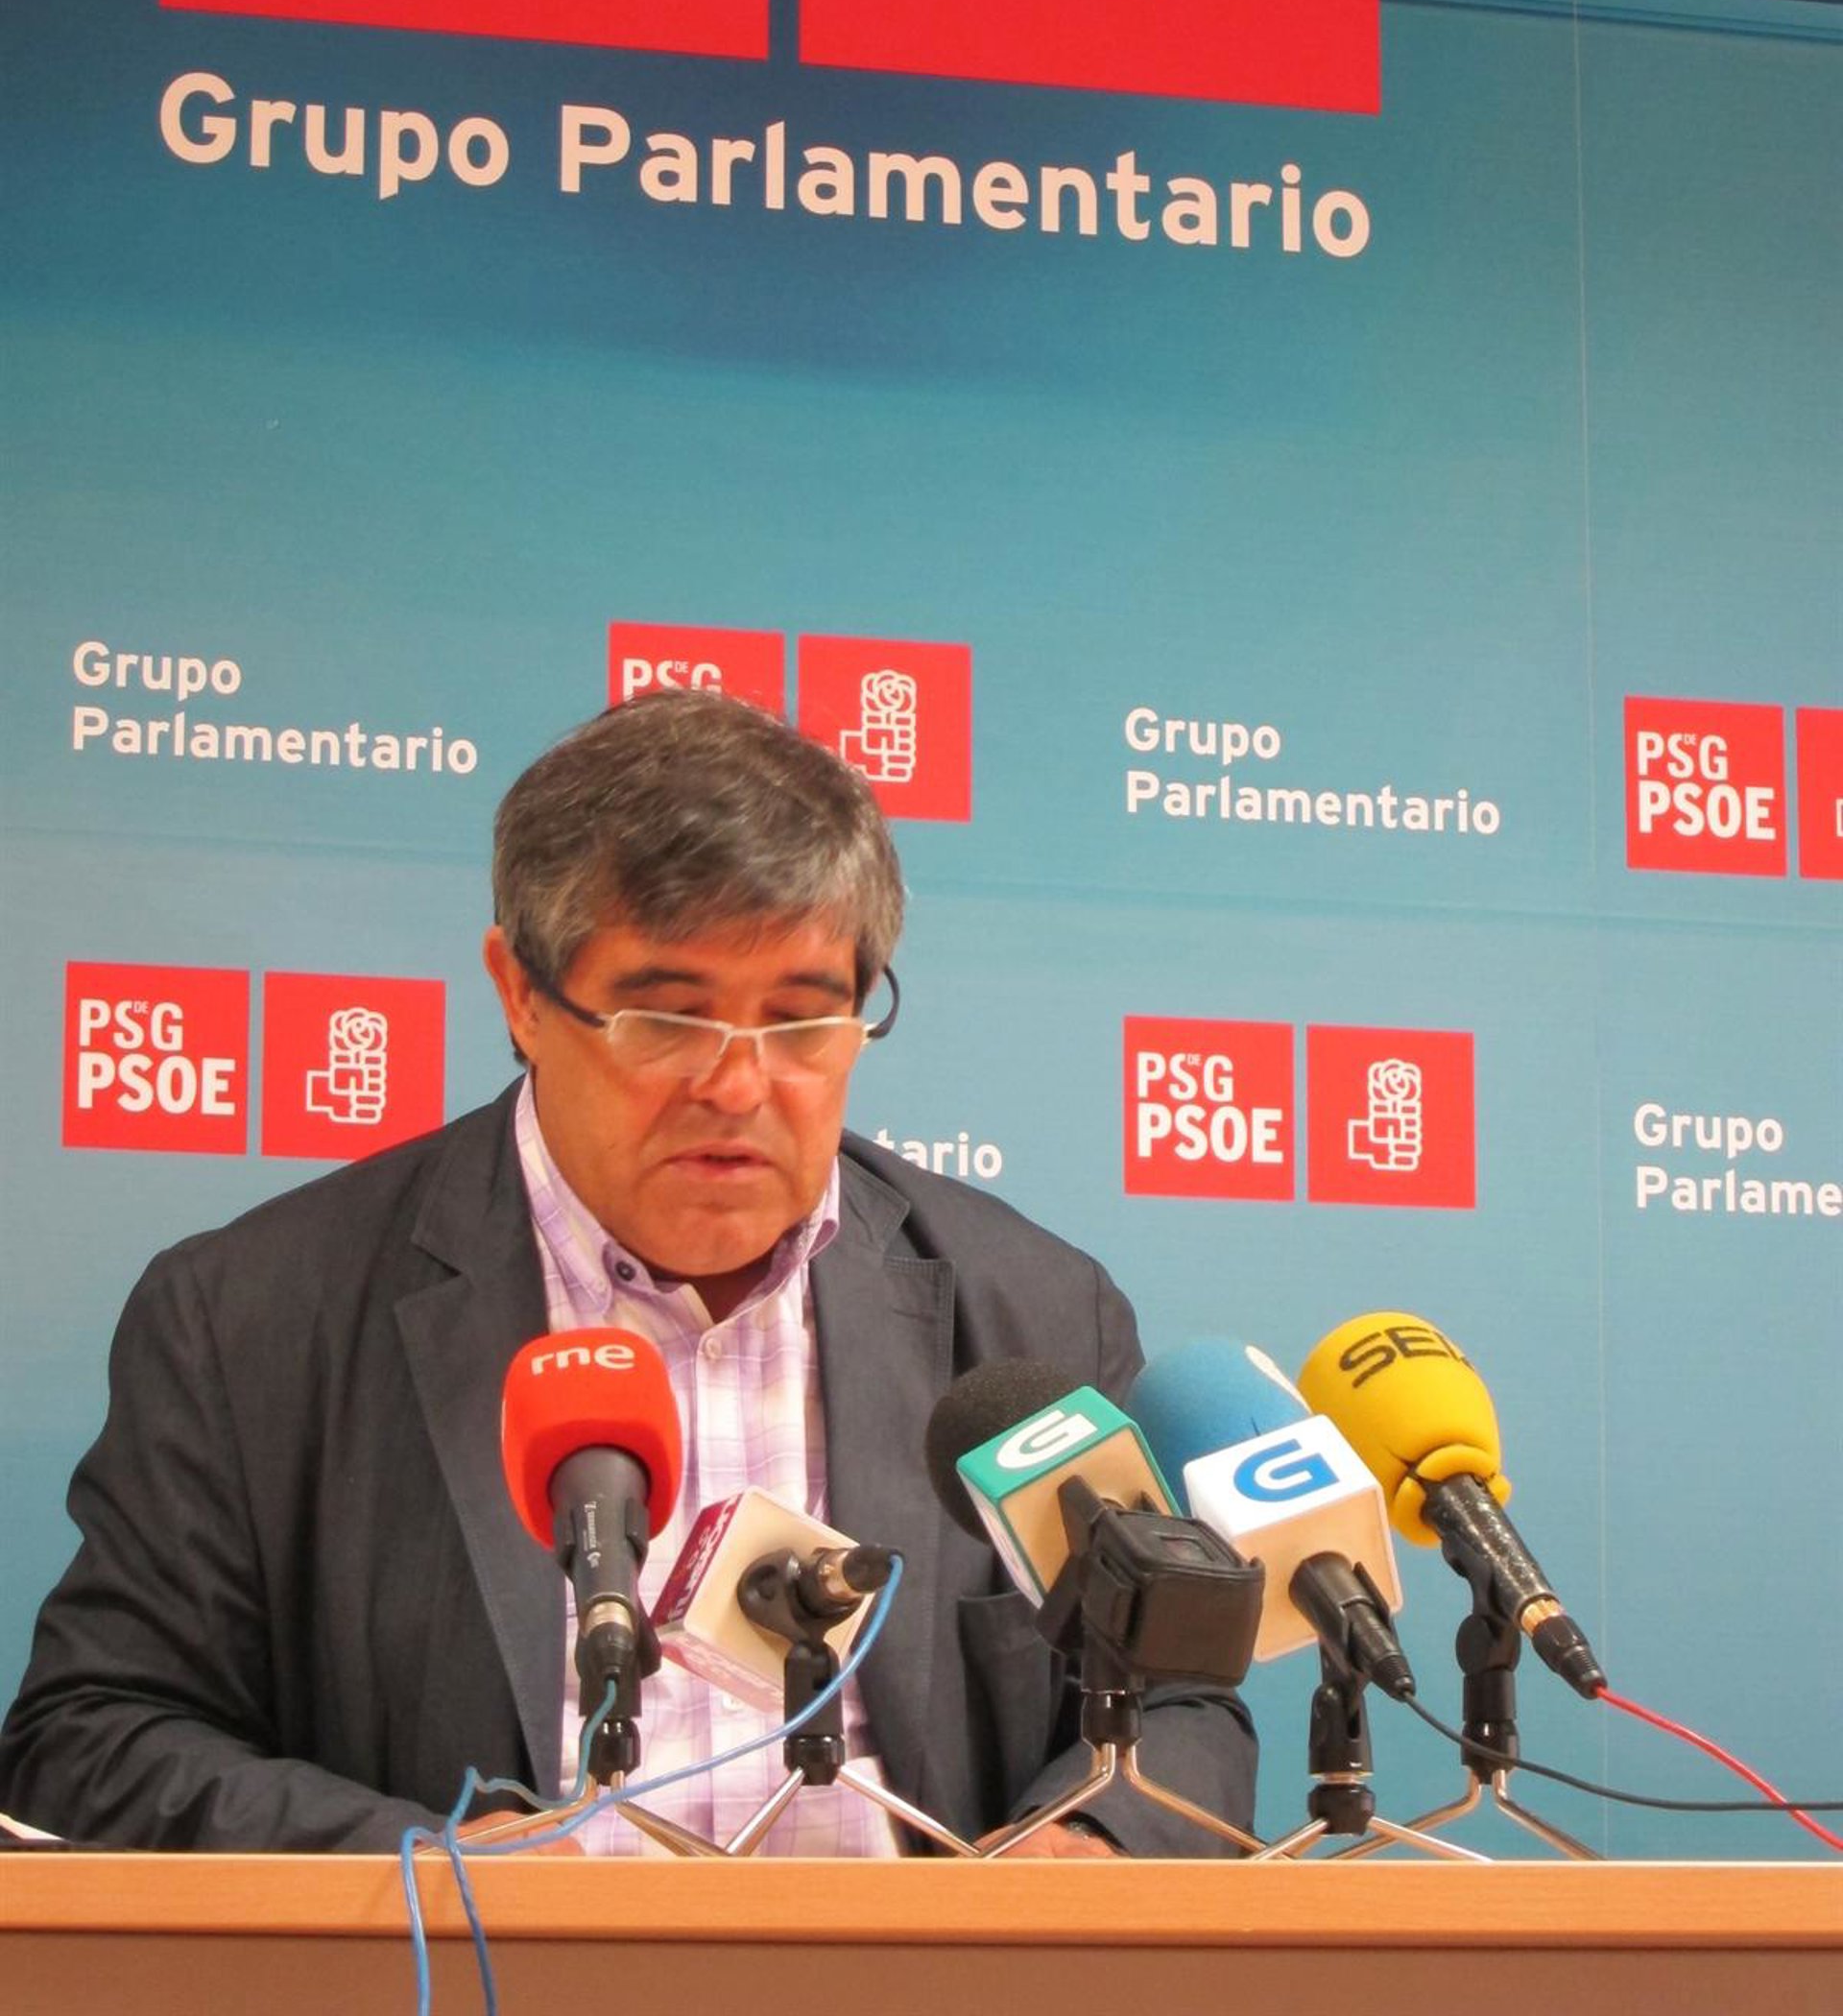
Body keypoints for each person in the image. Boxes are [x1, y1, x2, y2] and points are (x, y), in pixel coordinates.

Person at [0, 693, 1256, 1854]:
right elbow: (92, 1739)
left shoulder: (1031, 1315)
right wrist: (430, 1870)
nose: (738, 1085)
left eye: (801, 1019)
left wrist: (1090, 1851)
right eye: (668, 1019)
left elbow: (1176, 1699)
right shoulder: (253, 1320)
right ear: (521, 995)